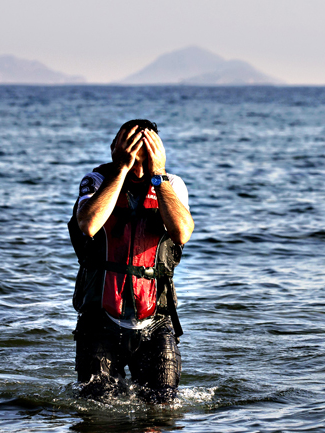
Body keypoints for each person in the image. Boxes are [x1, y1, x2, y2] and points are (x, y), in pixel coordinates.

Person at [67, 119, 194, 403]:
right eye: (131, 157)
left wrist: (158, 174)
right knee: (96, 411)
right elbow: (88, 224)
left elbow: (182, 232)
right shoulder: (95, 181)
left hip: (156, 321)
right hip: (100, 320)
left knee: (163, 408)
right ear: (115, 149)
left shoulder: (172, 185)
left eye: (144, 158)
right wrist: (121, 169)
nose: (138, 168)